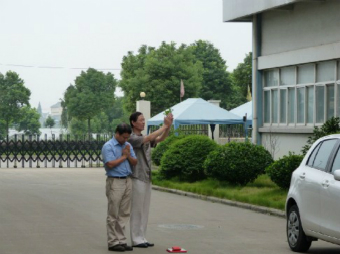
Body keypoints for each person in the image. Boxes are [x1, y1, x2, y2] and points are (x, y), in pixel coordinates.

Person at [128, 111, 173, 248]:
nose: (143, 122)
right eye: (141, 120)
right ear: (133, 122)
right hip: (136, 176)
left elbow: (159, 139)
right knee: (137, 209)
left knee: (145, 209)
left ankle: (142, 236)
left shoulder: (144, 136)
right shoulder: (132, 138)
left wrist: (168, 127)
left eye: (144, 120)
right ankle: (136, 238)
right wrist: (163, 127)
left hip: (147, 176)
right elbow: (148, 139)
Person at [102, 123, 138, 252]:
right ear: (117, 133)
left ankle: (121, 240)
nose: (125, 140)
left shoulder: (127, 146)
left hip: (128, 180)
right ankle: (112, 242)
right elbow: (110, 164)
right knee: (113, 213)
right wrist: (123, 156)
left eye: (127, 137)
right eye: (123, 137)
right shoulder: (108, 146)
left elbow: (135, 162)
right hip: (115, 181)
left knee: (124, 213)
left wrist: (128, 155)